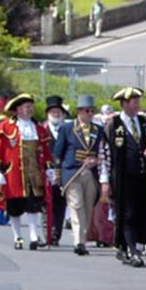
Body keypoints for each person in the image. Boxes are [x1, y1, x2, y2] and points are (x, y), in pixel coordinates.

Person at [103, 87, 146, 267]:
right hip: (123, 178)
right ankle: (132, 250)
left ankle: (133, 246)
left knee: (141, 213)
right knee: (127, 214)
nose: (138, 105)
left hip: (143, 177)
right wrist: (105, 180)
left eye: (138, 101)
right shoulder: (113, 124)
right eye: (134, 101)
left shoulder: (145, 123)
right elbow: (106, 153)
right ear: (124, 104)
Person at [0, 94, 54, 250]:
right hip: (14, 174)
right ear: (17, 109)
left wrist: (49, 168)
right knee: (14, 207)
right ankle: (17, 236)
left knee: (33, 205)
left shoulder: (38, 128)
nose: (30, 109)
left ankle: (33, 235)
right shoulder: (6, 127)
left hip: (34, 172)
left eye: (31, 106)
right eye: (26, 106)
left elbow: (45, 150)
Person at [52, 95, 108, 256]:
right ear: (79, 112)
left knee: (88, 207)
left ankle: (82, 238)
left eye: (91, 111)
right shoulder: (67, 129)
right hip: (72, 172)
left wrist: (97, 160)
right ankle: (79, 242)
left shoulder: (99, 130)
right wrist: (57, 173)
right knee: (77, 206)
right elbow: (58, 153)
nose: (90, 113)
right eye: (86, 110)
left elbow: (103, 151)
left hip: (91, 174)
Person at [44, 95, 70, 246]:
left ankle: (55, 234)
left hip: (63, 173)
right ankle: (46, 233)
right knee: (45, 205)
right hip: (46, 172)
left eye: (58, 111)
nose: (56, 114)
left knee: (60, 205)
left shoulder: (68, 129)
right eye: (53, 111)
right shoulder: (41, 130)